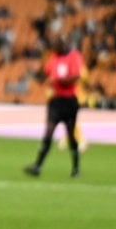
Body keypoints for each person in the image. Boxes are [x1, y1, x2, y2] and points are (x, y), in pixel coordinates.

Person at [24, 35, 83, 178]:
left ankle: (76, 168)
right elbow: (45, 75)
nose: (54, 49)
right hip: (56, 101)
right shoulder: (53, 58)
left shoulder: (74, 56)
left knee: (70, 135)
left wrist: (58, 80)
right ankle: (37, 166)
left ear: (63, 44)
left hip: (69, 101)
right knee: (48, 133)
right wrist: (35, 74)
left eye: (56, 46)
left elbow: (76, 76)